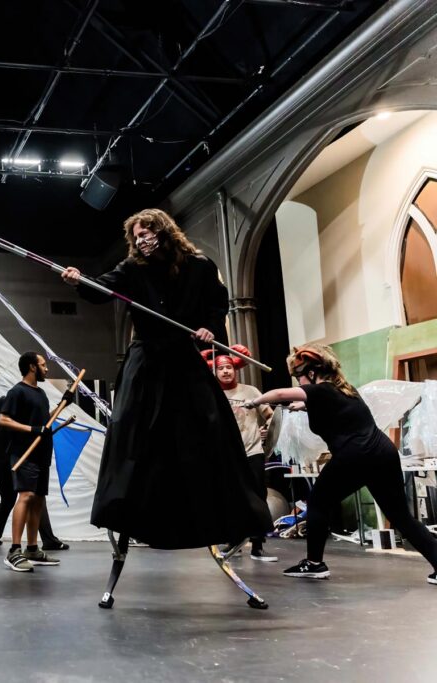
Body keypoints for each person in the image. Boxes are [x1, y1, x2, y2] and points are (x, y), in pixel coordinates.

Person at [61, 209, 271, 606]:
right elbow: (102, 288)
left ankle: (223, 513)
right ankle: (130, 511)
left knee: (207, 430)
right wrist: (78, 280)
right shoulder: (132, 268)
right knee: (134, 434)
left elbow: (217, 305)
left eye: (148, 232)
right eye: (137, 235)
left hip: (183, 360)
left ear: (164, 231)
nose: (142, 240)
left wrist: (209, 327)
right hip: (145, 364)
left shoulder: (199, 266)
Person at [246, 344, 437, 584]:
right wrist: (303, 406)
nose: (299, 383)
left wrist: (256, 401)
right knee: (401, 516)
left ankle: (314, 564)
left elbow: (279, 395)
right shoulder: (343, 390)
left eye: (298, 377)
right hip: (382, 453)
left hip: (355, 456)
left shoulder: (321, 390)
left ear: (312, 373)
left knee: (318, 502)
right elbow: (331, 408)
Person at [205, 346, 277, 562]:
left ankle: (258, 545)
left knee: (257, 496)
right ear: (215, 371)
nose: (226, 371)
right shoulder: (212, 394)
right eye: (221, 368)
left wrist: (267, 430)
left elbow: (270, 415)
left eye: (229, 367)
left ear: (235, 369)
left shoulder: (251, 391)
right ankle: (233, 540)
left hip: (252, 450)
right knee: (230, 496)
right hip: (227, 454)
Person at [0, 351, 66, 572]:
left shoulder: (41, 393)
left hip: (42, 454)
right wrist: (32, 429)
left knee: (38, 500)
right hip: (23, 453)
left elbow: (45, 422)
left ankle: (33, 549)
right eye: (43, 365)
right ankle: (14, 550)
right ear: (32, 367)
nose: (47, 368)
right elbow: (3, 420)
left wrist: (63, 405)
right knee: (26, 496)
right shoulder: (17, 391)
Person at [0, 394, 69, 551]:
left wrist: (61, 406)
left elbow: (39, 424)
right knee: (34, 497)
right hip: (12, 466)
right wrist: (60, 407)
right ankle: (47, 540)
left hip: (4, 468)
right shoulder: (7, 429)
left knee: (9, 500)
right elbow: (38, 425)